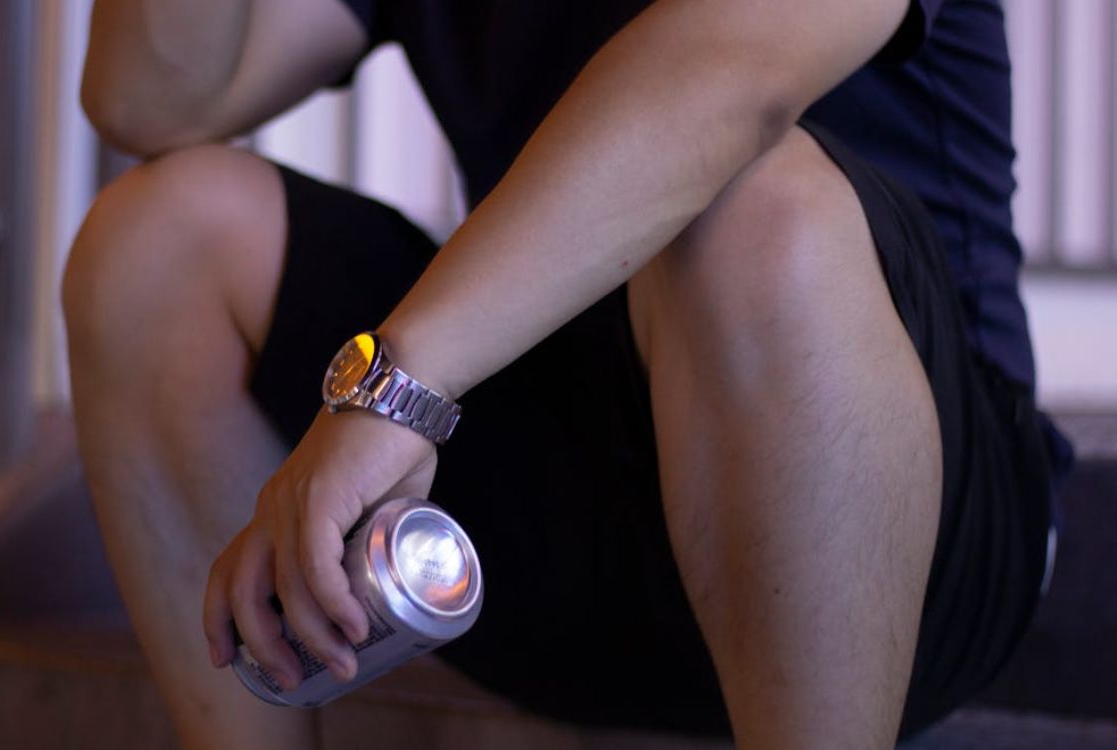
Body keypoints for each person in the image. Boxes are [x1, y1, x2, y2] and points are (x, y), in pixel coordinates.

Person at [62, 0, 1071, 747]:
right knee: (152, 241)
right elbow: (149, 97)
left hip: (903, 544)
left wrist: (395, 389)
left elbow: (727, 79)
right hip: (556, 526)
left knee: (746, 205)